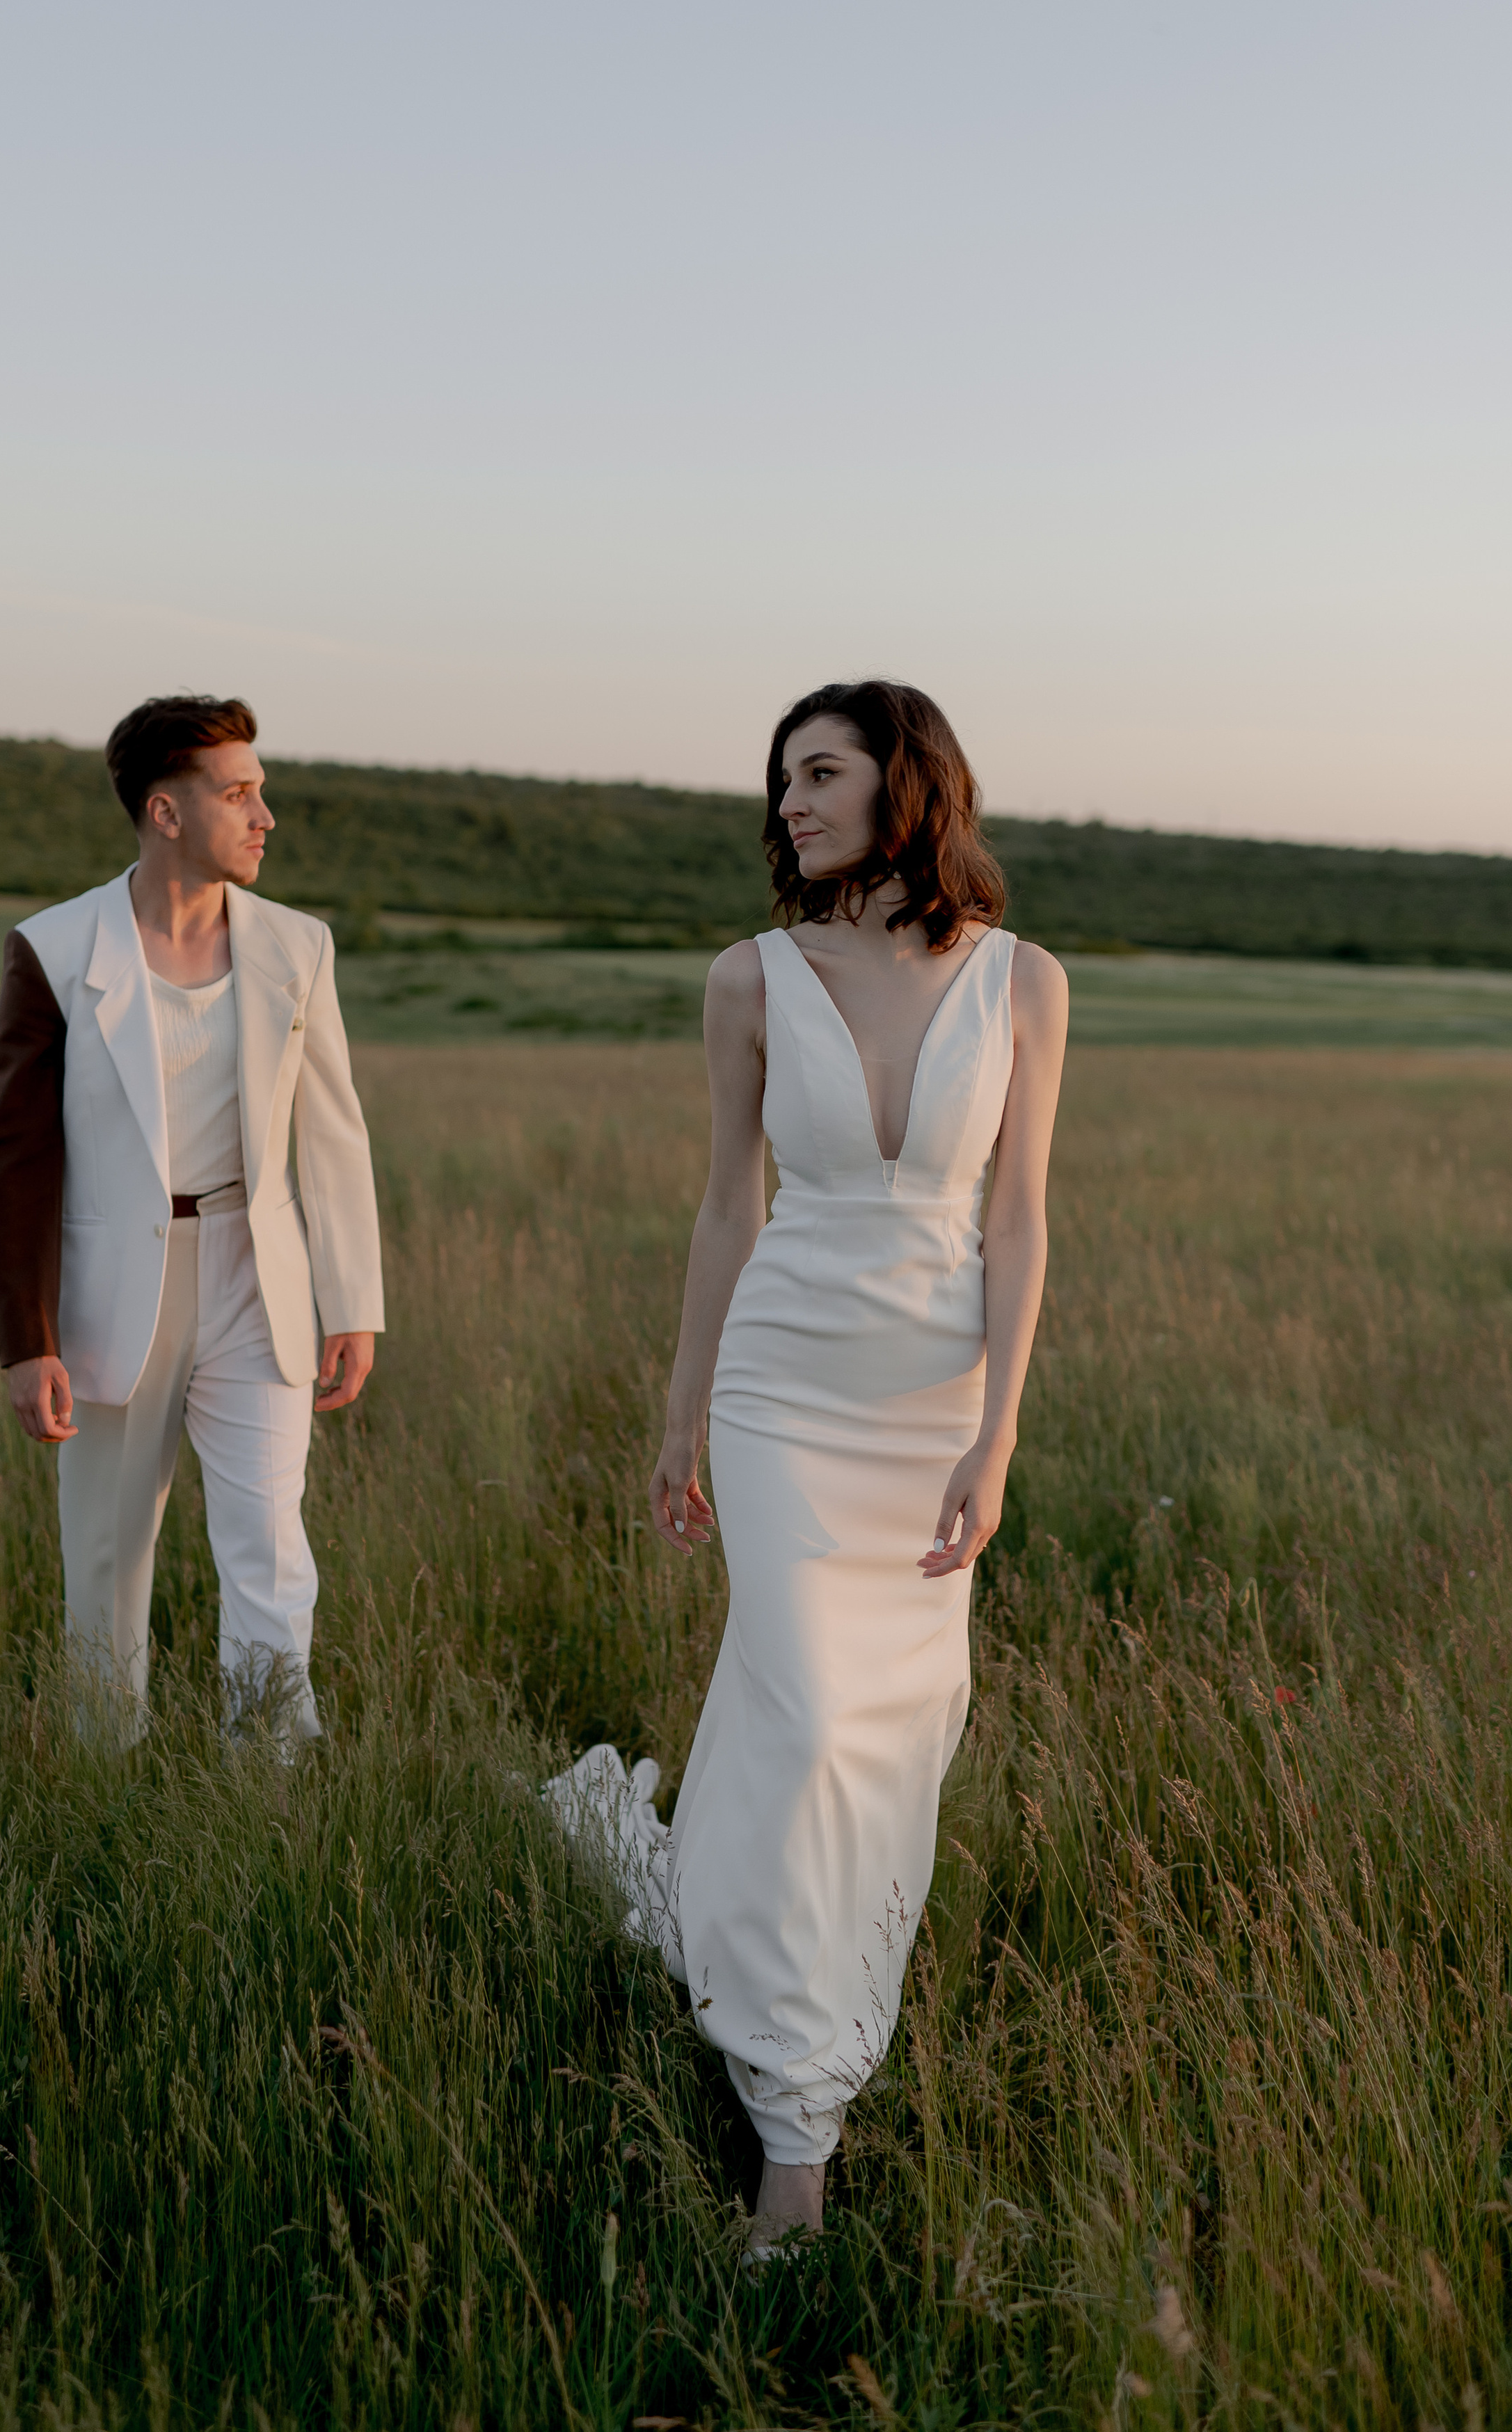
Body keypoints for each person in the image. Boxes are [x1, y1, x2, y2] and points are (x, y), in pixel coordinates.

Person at [551, 678, 1066, 2259]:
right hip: (781, 1388)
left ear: (904, 783)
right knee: (811, 1706)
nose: (787, 802)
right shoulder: (749, 980)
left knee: (889, 1738)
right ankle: (796, 2132)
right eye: (780, 779)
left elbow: (1017, 1218)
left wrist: (997, 1434)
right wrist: (677, 1415)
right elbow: (727, 1206)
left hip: (931, 1404)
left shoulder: (1026, 982)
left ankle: (769, 1976)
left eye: (819, 772)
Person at [0, 694, 384, 1744]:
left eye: (262, 788)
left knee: (269, 1544)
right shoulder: (55, 949)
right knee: (109, 1557)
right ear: (166, 813)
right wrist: (28, 1342)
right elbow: (18, 1160)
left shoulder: (300, 947)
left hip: (261, 1276)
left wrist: (353, 1303)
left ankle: (271, 1783)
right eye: (239, 793)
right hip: (117, 1293)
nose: (267, 814)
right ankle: (103, 1778)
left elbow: (334, 1135)